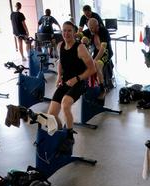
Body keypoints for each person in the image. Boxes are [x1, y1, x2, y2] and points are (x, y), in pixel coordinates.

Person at [48, 21, 96, 149]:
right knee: (51, 115)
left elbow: (92, 69)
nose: (66, 33)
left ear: (74, 32)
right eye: (64, 30)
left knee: (65, 103)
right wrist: (59, 75)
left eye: (69, 30)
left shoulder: (80, 48)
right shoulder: (60, 46)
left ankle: (69, 136)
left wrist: (77, 78)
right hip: (66, 81)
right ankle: (59, 133)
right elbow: (61, 62)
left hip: (80, 82)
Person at [82, 18, 113, 94]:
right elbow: (80, 34)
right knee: (85, 64)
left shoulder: (104, 31)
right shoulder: (89, 31)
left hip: (106, 52)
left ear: (97, 26)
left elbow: (102, 49)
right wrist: (82, 38)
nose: (91, 30)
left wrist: (94, 60)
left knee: (97, 65)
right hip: (96, 52)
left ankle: (102, 87)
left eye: (93, 28)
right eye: (90, 28)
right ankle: (88, 85)